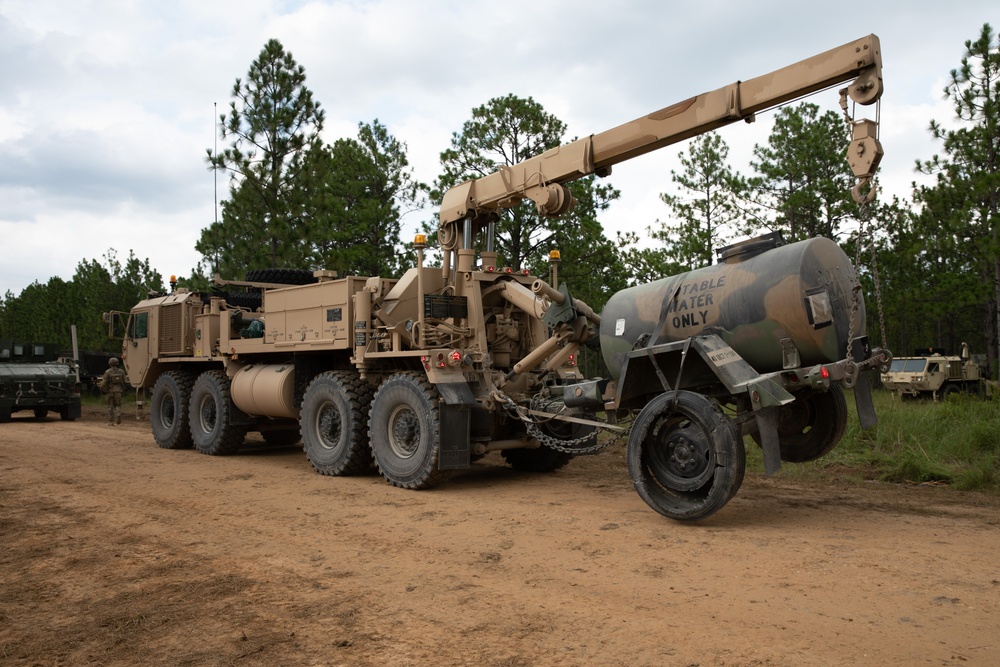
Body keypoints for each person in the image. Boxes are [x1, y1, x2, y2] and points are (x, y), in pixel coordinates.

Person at [101, 358, 127, 425]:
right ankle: (118, 414)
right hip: (118, 391)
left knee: (110, 406)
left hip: (110, 391)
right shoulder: (121, 371)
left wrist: (102, 388)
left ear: (110, 363)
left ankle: (111, 421)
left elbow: (104, 382)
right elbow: (125, 381)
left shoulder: (108, 372)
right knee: (117, 405)